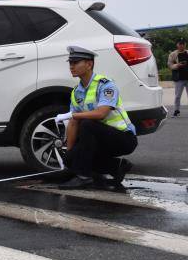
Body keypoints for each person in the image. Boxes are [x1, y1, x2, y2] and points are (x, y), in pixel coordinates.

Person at [54, 46, 137, 189]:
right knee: (70, 158)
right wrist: (70, 156)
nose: (71, 66)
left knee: (87, 124)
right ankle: (117, 166)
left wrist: (73, 114)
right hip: (99, 138)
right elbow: (73, 122)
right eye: (70, 63)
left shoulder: (105, 85)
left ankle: (84, 177)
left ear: (89, 64)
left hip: (123, 138)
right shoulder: (76, 92)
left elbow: (101, 113)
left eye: (75, 62)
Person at [167, 38, 188, 117]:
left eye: (183, 44)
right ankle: (176, 110)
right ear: (177, 45)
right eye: (180, 44)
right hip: (179, 78)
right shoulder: (173, 54)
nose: (182, 45)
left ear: (185, 44)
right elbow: (169, 65)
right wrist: (177, 65)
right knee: (178, 96)